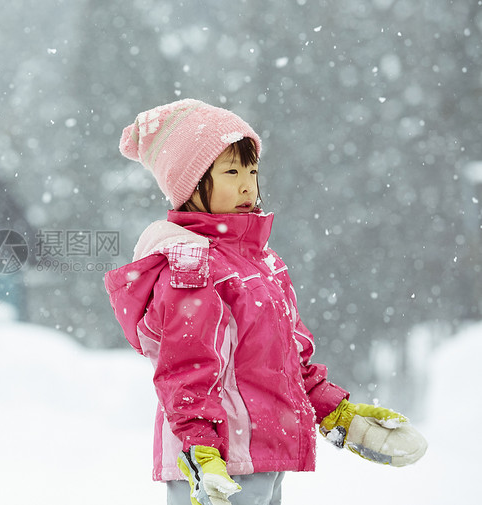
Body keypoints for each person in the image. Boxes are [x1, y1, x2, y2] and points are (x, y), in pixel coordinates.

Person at [103, 99, 427, 505]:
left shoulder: (261, 263)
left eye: (252, 171)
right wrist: (202, 451)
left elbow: (291, 363)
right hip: (219, 467)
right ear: (190, 185)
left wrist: (341, 416)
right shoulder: (192, 263)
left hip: (261, 461)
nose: (247, 186)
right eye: (232, 171)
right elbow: (185, 371)